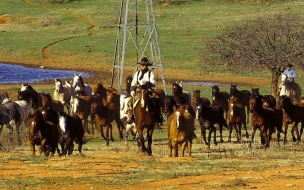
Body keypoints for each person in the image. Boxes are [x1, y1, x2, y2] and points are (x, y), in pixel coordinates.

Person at [128, 57, 164, 123]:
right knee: (130, 102)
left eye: (144, 65)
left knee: (156, 102)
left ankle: (158, 116)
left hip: (148, 92)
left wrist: (147, 84)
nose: (142, 66)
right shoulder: (137, 73)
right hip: (138, 92)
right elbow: (133, 83)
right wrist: (132, 90)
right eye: (141, 65)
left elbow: (153, 83)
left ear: (147, 65)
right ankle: (130, 117)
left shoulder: (150, 73)